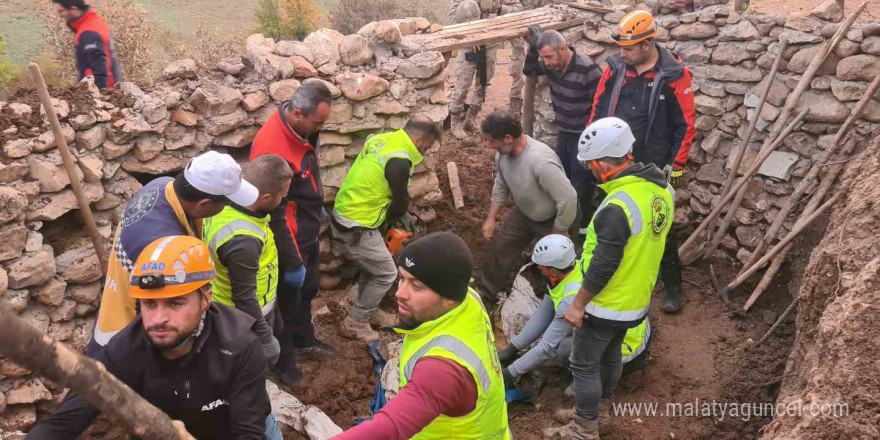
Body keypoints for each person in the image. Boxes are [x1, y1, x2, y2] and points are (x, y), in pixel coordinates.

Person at [27, 236, 280, 440]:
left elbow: (249, 431)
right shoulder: (125, 350)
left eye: (175, 303)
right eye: (149, 304)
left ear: (206, 298)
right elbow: (65, 422)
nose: (159, 319)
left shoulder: (239, 344)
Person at [546, 117, 673, 439]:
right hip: (636, 298)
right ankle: (599, 410)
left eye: (590, 165)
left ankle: (584, 427)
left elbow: (604, 265)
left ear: (603, 163)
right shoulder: (661, 191)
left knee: (584, 364)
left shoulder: (618, 205)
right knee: (611, 355)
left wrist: (578, 304)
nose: (589, 171)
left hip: (607, 302)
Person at [332, 232, 511, 440]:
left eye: (416, 286)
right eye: (402, 279)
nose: (400, 293)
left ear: (449, 298)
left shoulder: (442, 369)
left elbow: (390, 428)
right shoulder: (468, 301)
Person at [90, 151, 258, 354]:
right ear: (203, 204)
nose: (228, 207)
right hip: (129, 339)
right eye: (227, 203)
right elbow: (165, 315)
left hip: (117, 313)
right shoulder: (164, 249)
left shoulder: (161, 185)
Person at [589, 10, 696, 313]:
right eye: (621, 47)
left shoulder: (675, 75)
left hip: (653, 161)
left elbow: (686, 124)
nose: (623, 54)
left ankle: (672, 284)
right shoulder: (614, 69)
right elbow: (597, 108)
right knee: (611, 217)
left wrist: (676, 164)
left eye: (629, 48)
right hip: (615, 160)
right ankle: (612, 274)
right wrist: (593, 147)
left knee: (661, 221)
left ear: (648, 44)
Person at [250, 79, 335, 386]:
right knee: (285, 305)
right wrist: (292, 259)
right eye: (318, 122)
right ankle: (284, 364)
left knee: (307, 290)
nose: (320, 128)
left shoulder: (301, 130)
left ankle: (304, 340)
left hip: (308, 230)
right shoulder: (271, 147)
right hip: (291, 238)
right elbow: (272, 212)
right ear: (297, 114)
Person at [331, 116, 442, 342]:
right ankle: (357, 322)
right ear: (419, 139)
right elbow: (400, 201)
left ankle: (364, 307)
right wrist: (400, 217)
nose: (426, 151)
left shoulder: (382, 139)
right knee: (386, 273)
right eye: (427, 146)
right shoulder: (400, 159)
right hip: (357, 225)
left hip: (346, 211)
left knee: (374, 267)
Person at [497, 235, 653, 383]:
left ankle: (594, 379)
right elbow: (542, 316)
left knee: (565, 348)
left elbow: (547, 348)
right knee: (564, 338)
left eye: (541, 266)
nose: (538, 268)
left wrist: (509, 373)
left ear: (552, 271)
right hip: (613, 328)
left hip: (628, 348)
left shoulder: (572, 296)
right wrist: (511, 350)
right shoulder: (569, 271)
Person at [477, 110, 577, 303]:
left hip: (554, 218)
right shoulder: (503, 156)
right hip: (524, 213)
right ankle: (486, 292)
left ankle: (557, 301)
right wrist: (491, 219)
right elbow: (501, 184)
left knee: (556, 263)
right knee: (502, 248)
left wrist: (560, 230)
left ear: (507, 138)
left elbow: (568, 198)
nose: (489, 145)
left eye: (491, 141)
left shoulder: (540, 161)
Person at [203, 154, 293, 367]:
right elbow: (244, 297)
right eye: (282, 196)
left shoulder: (225, 205)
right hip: (243, 318)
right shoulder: (243, 240)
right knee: (249, 367)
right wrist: (264, 338)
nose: (284, 201)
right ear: (266, 198)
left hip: (262, 301)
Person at [524, 28, 603, 243]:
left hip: (584, 139)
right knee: (562, 183)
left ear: (562, 49)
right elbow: (529, 71)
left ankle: (580, 238)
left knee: (579, 190)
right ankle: (562, 230)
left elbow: (602, 104)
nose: (546, 62)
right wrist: (533, 48)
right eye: (544, 58)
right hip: (565, 136)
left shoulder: (587, 68)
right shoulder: (553, 67)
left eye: (548, 56)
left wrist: (592, 141)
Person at [448, 0, 501, 140]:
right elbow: (454, 15)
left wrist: (499, 7)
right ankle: (455, 123)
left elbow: (516, 7)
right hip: (468, 44)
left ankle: (471, 118)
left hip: (490, 41)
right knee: (462, 84)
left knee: (483, 83)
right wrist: (469, 36)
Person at [52, 0, 122, 89]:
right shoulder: (92, 22)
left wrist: (100, 97)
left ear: (73, 9)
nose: (60, 15)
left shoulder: (89, 32)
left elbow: (100, 70)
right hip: (107, 89)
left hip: (103, 92)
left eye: (61, 11)